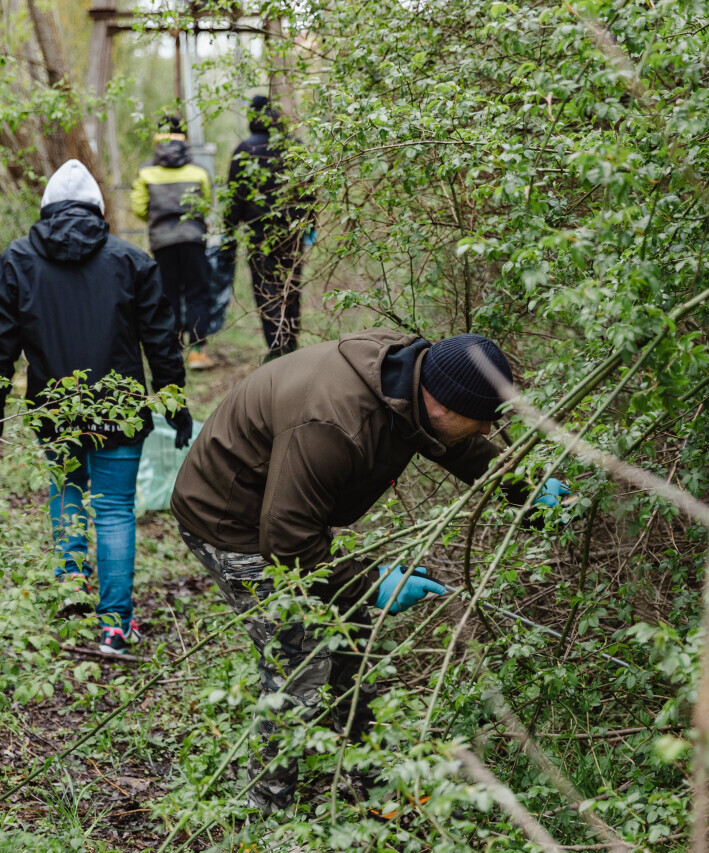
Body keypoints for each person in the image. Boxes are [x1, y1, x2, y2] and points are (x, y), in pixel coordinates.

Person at [170, 328, 569, 812]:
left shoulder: (413, 381)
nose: (488, 431)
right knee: (299, 657)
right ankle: (266, 809)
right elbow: (287, 541)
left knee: (349, 632)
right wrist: (374, 582)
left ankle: (370, 772)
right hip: (232, 519)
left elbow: (457, 442)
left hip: (286, 511)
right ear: (440, 403)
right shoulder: (334, 422)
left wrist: (523, 487)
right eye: (481, 420)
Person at [0, 159, 193, 655]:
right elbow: (162, 343)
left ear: (45, 209)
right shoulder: (131, 261)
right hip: (119, 411)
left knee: (66, 497)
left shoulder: (16, 261)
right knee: (114, 510)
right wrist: (174, 404)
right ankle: (115, 626)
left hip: (55, 411)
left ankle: (72, 600)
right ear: (98, 210)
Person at [225, 95, 313, 363]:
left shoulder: (244, 150)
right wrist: (309, 226)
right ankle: (290, 345)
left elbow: (234, 197)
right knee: (290, 287)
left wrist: (229, 233)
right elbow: (309, 192)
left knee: (266, 290)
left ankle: (277, 349)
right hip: (292, 233)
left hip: (259, 235)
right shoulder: (294, 147)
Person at [132, 115, 218, 370]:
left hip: (162, 242)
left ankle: (173, 349)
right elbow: (206, 205)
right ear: (185, 140)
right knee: (198, 293)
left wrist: (158, 217)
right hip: (193, 239)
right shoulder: (198, 172)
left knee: (168, 295)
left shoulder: (146, 172)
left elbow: (138, 208)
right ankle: (198, 353)